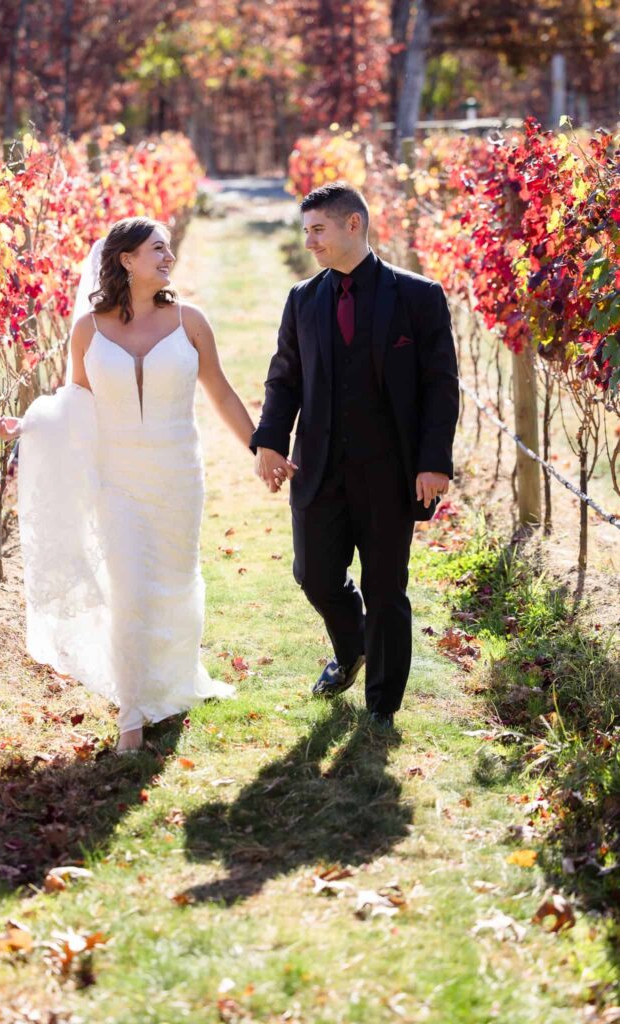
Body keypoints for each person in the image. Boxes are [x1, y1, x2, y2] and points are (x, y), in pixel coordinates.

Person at [0, 216, 260, 753]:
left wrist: (262, 449)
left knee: (174, 584)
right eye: (157, 249)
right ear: (126, 260)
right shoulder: (88, 330)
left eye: (168, 249)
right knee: (130, 591)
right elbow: (76, 403)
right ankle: (132, 713)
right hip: (117, 480)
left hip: (178, 475)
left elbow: (222, 392)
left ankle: (173, 683)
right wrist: (28, 425)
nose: (168, 257)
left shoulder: (189, 321)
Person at [251, 182, 459, 731]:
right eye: (305, 232)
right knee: (314, 575)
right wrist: (270, 441)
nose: (310, 242)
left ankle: (381, 707)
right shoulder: (303, 299)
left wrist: (434, 461)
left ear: (353, 224)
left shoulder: (417, 296)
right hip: (318, 466)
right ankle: (353, 647)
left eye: (318, 230)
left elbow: (440, 384)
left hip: (391, 471)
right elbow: (284, 378)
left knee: (386, 588)